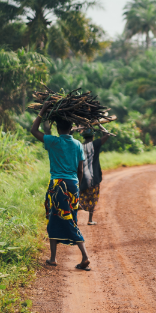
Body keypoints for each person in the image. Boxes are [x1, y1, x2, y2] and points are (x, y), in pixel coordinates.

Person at [31, 102, 91, 271]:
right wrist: (76, 187)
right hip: (72, 185)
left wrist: (42, 111)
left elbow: (33, 130)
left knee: (63, 220)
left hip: (58, 185)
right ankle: (52, 258)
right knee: (60, 219)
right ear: (71, 127)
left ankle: (85, 256)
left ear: (58, 128)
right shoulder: (78, 144)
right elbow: (80, 170)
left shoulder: (53, 141)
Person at [79, 128, 110, 225]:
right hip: (93, 177)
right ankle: (90, 219)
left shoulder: (79, 146)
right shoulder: (95, 144)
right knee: (93, 197)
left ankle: (74, 217)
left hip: (82, 177)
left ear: (83, 136)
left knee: (80, 196)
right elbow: (107, 135)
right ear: (93, 136)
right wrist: (100, 126)